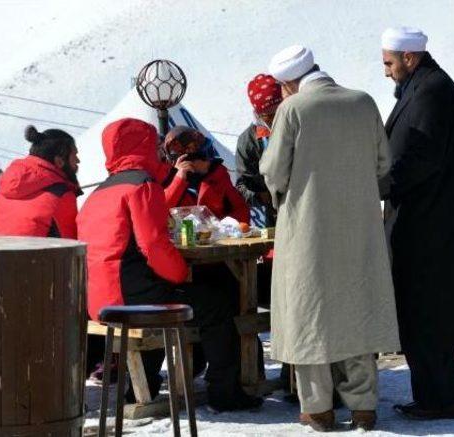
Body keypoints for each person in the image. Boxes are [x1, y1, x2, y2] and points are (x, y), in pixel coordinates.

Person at [77, 117, 263, 412]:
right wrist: (181, 274)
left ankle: (144, 385)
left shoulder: (99, 193)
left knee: (166, 295)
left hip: (99, 297)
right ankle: (224, 392)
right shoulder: (141, 186)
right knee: (215, 303)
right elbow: (154, 246)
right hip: (130, 296)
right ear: (143, 147)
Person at [260, 45, 400, 432]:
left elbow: (274, 171)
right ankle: (364, 406)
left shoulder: (293, 110)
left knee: (310, 316)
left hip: (308, 230)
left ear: (288, 84)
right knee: (356, 310)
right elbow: (383, 163)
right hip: (359, 228)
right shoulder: (363, 102)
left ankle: (318, 408)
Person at [379, 27, 454, 420]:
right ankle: (432, 395)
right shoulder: (421, 87)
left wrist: (381, 184)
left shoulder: (433, 90)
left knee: (430, 315)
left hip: (431, 227)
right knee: (421, 313)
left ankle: (441, 399)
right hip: (422, 223)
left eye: (389, 63)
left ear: (410, 58)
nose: (386, 71)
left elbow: (420, 157)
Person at [0, 125, 82, 238]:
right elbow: (72, 247)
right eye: (75, 155)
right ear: (59, 161)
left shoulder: (2, 192)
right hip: (40, 256)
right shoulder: (61, 195)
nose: (78, 161)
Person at [160, 125, 250, 223]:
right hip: (180, 235)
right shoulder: (165, 178)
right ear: (185, 161)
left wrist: (226, 226)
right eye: (203, 157)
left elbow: (241, 210)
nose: (208, 161)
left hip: (214, 234)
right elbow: (160, 210)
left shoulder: (217, 174)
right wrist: (178, 180)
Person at [236, 74, 283, 228]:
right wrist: (263, 197)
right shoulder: (248, 141)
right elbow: (242, 186)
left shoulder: (303, 126)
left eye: (280, 112)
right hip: (276, 217)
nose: (276, 119)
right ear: (258, 114)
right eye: (269, 116)